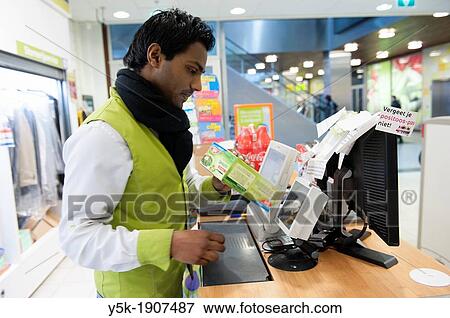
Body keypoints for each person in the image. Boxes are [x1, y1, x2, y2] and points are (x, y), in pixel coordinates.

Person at [59, 9, 231, 298]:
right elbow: (78, 238)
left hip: (172, 285)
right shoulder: (104, 134)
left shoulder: (165, 125)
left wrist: (214, 186)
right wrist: (170, 244)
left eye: (200, 73)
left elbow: (182, 189)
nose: (198, 86)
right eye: (192, 70)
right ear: (155, 57)